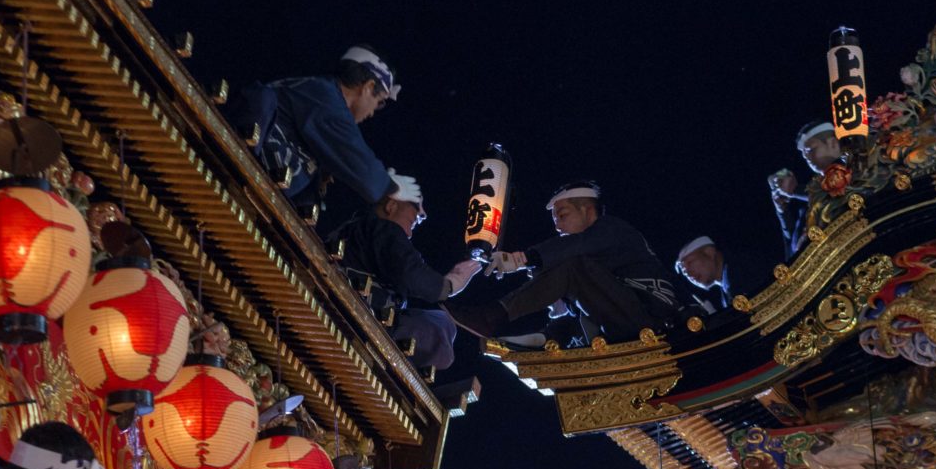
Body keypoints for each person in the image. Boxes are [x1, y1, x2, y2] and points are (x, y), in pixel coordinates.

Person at [446, 181, 681, 345]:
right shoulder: (598, 251)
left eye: (563, 214)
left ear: (588, 211)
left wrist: (521, 259)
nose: (557, 224)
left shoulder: (612, 229)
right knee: (568, 281)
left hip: (653, 320)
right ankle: (545, 341)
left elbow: (574, 249)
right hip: (628, 319)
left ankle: (492, 317)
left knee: (572, 267)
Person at [227, 45, 422, 216]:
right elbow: (358, 161)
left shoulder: (322, 95)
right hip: (233, 177)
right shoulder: (326, 99)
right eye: (378, 103)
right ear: (368, 87)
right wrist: (389, 185)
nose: (372, 113)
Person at [328, 195, 481, 369]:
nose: (408, 234)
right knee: (441, 323)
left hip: (353, 305)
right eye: (411, 221)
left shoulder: (353, 230)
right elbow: (410, 272)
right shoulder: (380, 228)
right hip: (357, 313)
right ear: (391, 205)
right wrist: (448, 285)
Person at [769, 121, 841, 261]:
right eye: (804, 154)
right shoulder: (812, 192)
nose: (807, 157)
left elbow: (839, 195)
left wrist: (794, 190)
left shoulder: (854, 172)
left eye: (811, 150)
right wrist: (783, 211)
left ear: (832, 143)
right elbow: (794, 246)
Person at [674, 235, 772, 313]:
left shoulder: (743, 270)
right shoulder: (725, 290)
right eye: (685, 273)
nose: (689, 274)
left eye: (690, 263)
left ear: (709, 252)